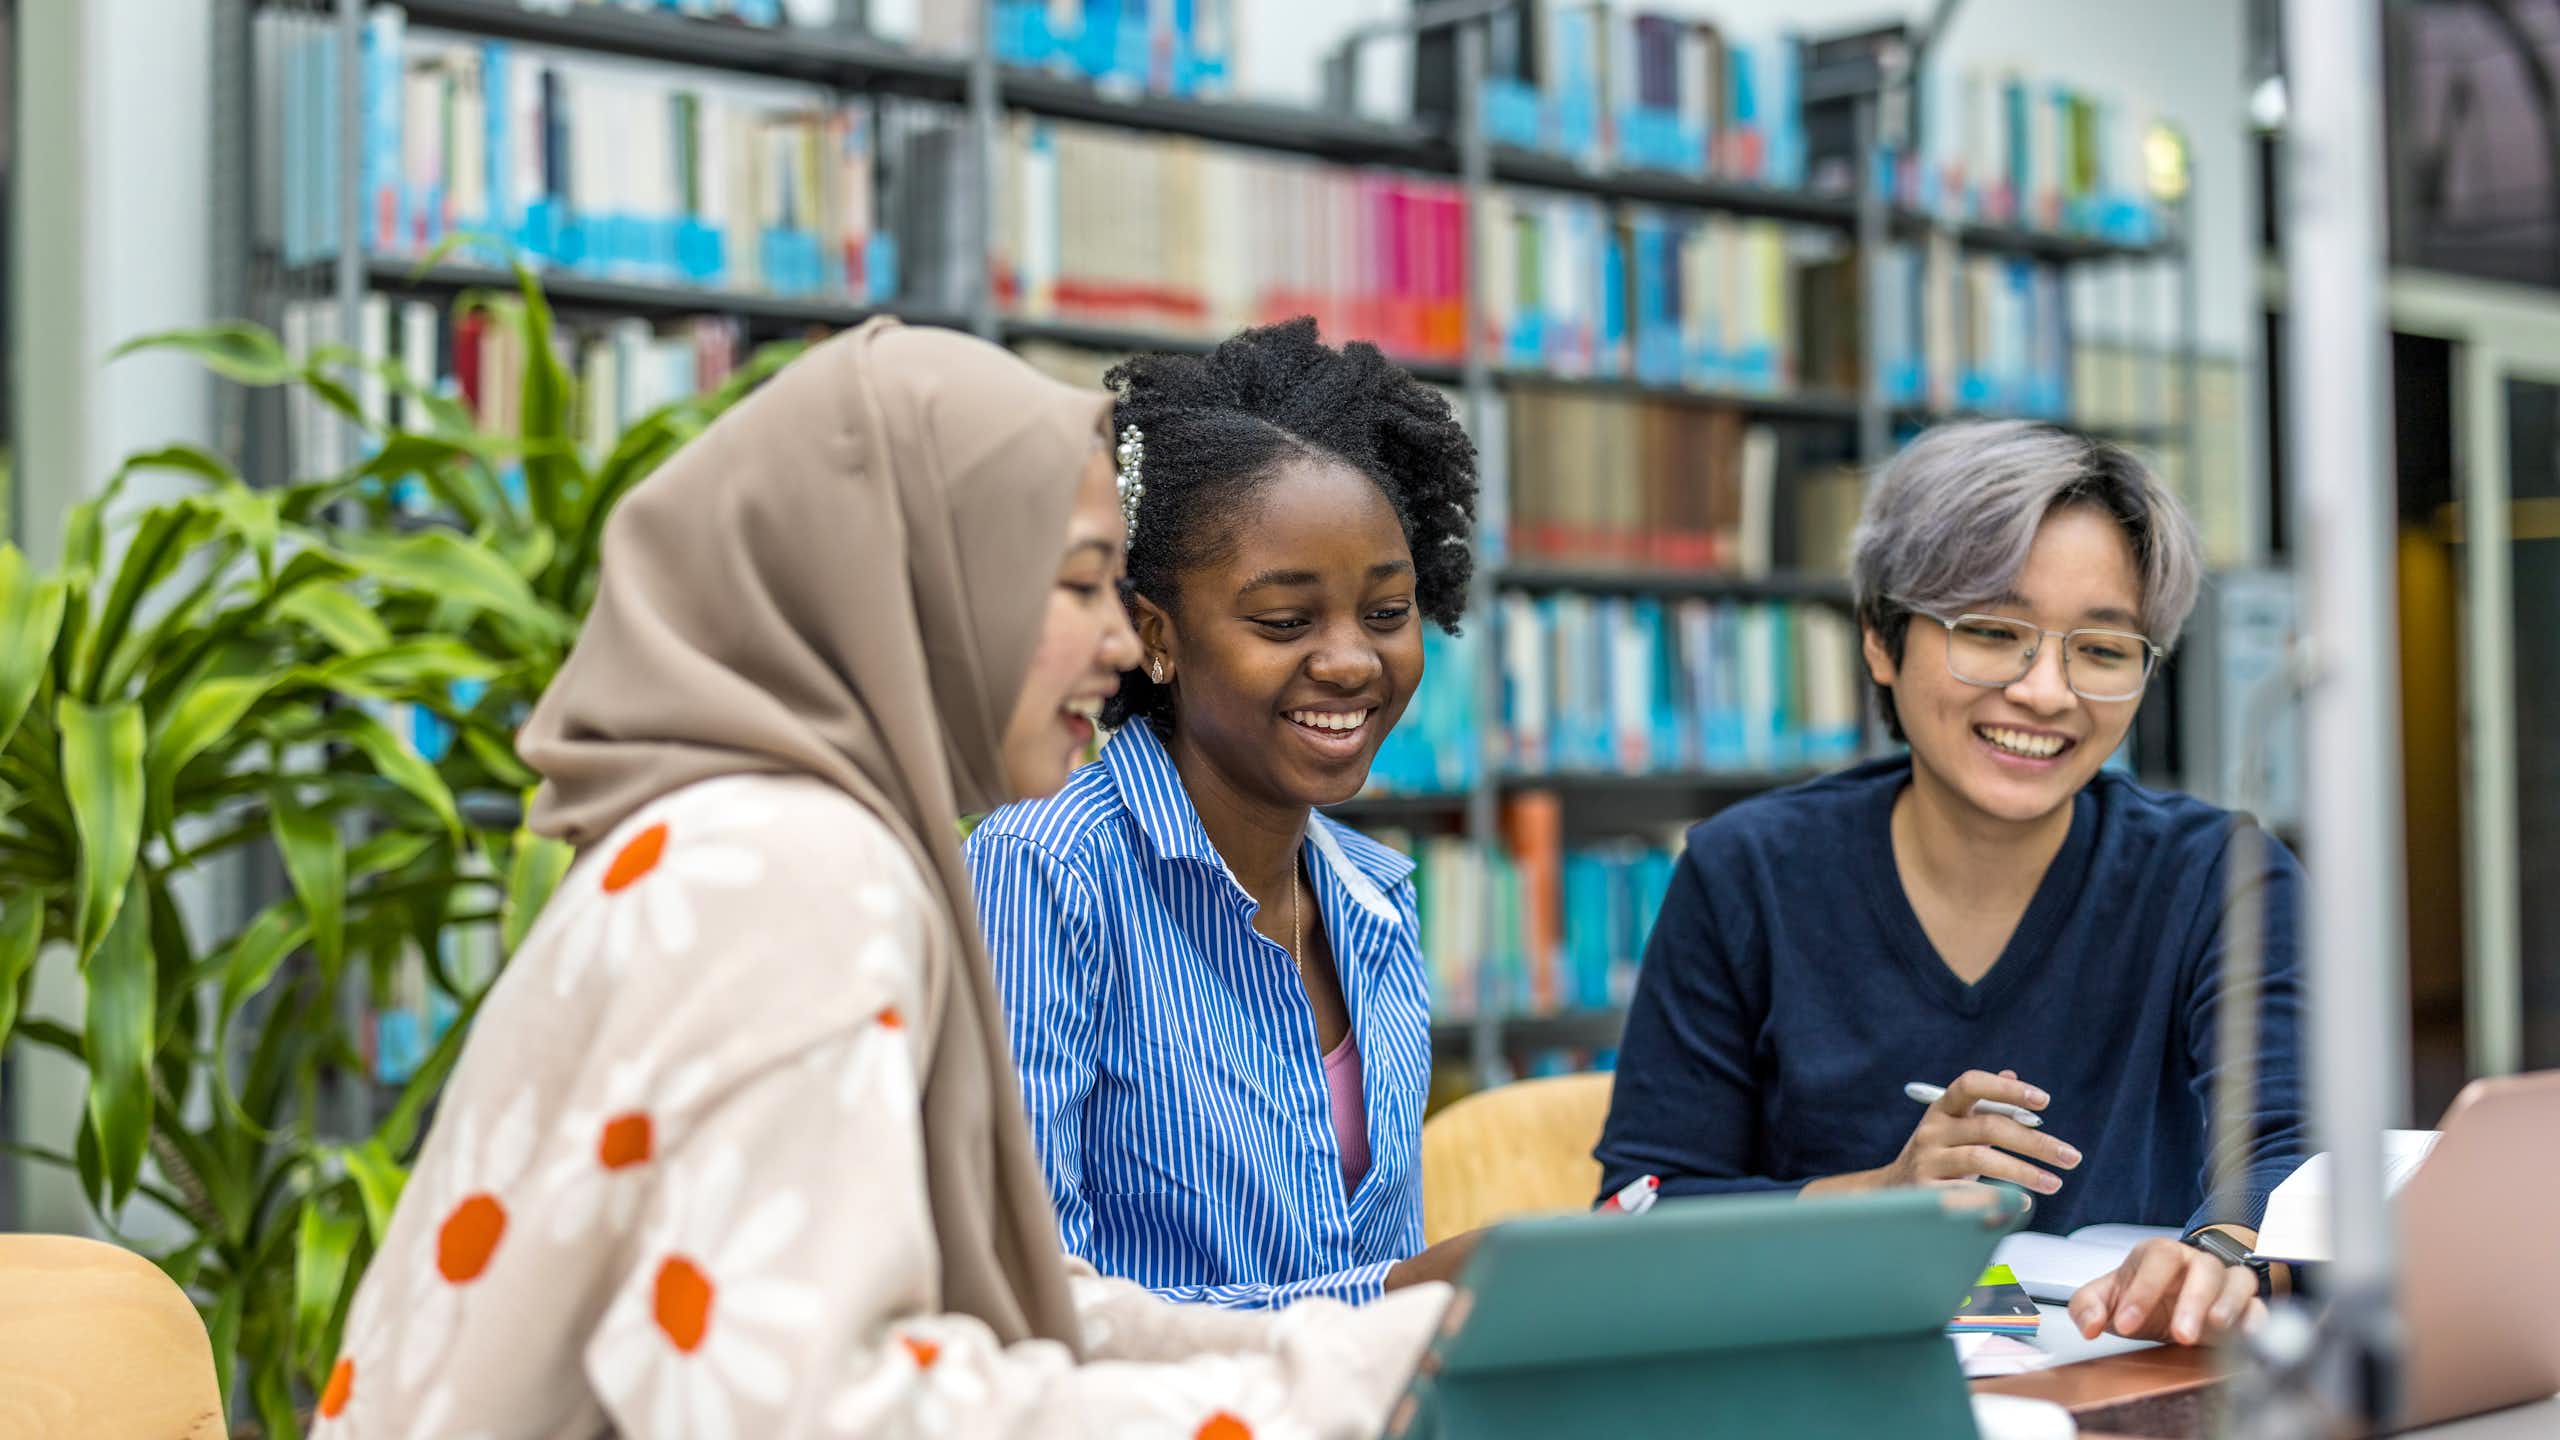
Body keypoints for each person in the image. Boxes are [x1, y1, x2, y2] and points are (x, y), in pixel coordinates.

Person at [316, 319, 1444, 1439]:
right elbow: (807, 1409)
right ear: (911, 589)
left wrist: (1366, 1349)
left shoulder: (771, 839)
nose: (1120, 645)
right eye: (1077, 585)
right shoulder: (789, 870)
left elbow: (1008, 1309)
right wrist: (1317, 1394)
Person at [1594, 420, 2307, 1349]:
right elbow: (1639, 1206)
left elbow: (2297, 1155)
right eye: (1994, 632)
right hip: (1834, 1385)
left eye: (2101, 649)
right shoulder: (1749, 872)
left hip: (2115, 1381)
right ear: (1882, 642)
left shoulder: (2219, 876)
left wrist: (2220, 1253)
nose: (2047, 692)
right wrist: (1882, 1197)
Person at [968, 319, 1481, 1307]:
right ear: (1155, 635)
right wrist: (1396, 1296)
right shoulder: (1042, 875)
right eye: (1284, 622)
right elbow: (1030, 1305)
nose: (1350, 661)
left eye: (1386, 612)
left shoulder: (1374, 900)